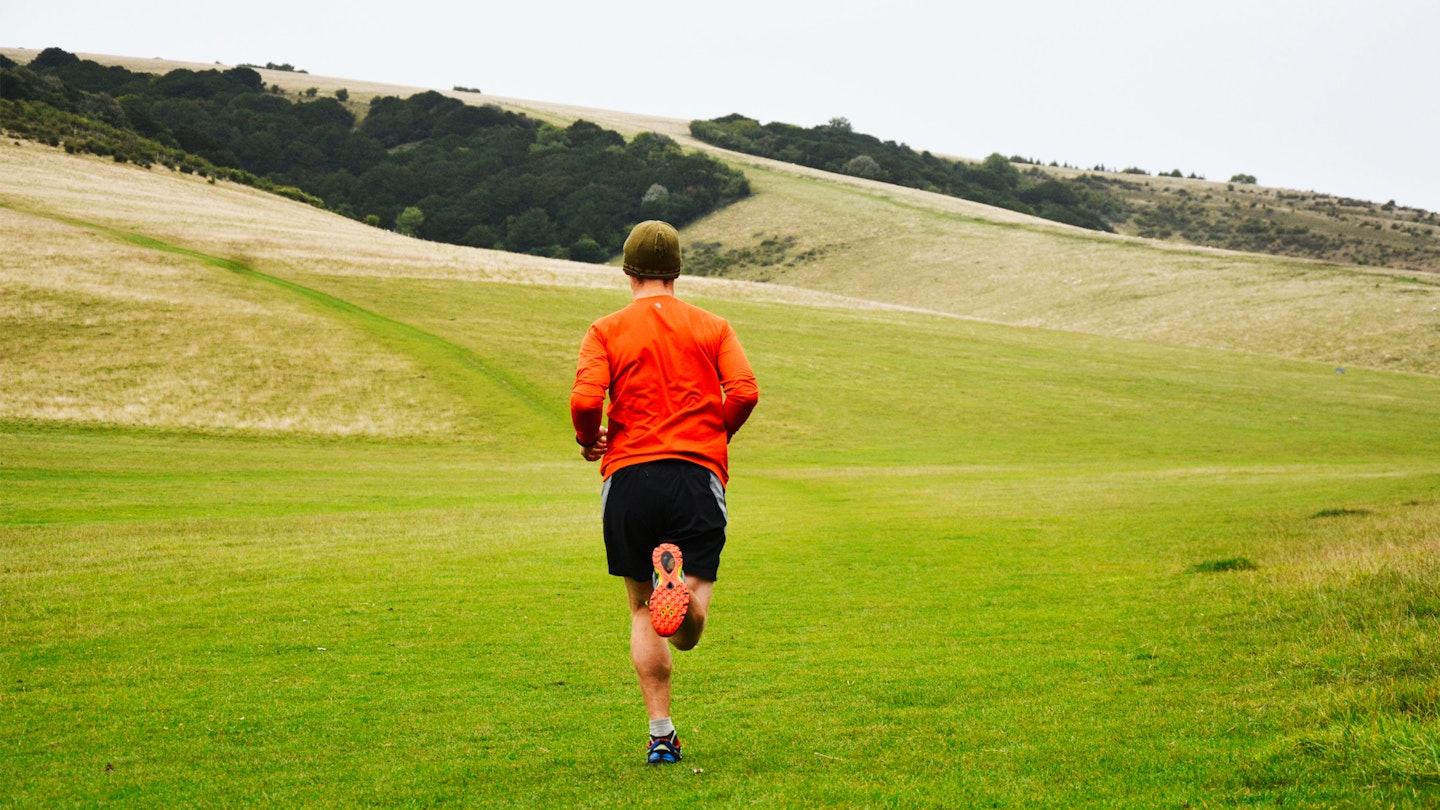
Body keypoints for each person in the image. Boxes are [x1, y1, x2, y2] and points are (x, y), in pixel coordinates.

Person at [570, 220, 759, 765]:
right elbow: (745, 391)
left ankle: (660, 734)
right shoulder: (713, 326)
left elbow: (586, 400)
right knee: (687, 624)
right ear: (677, 271)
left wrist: (590, 438)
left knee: (639, 610)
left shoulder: (604, 329)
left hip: (629, 477)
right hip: (695, 476)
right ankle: (675, 585)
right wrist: (712, 430)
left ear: (627, 272)